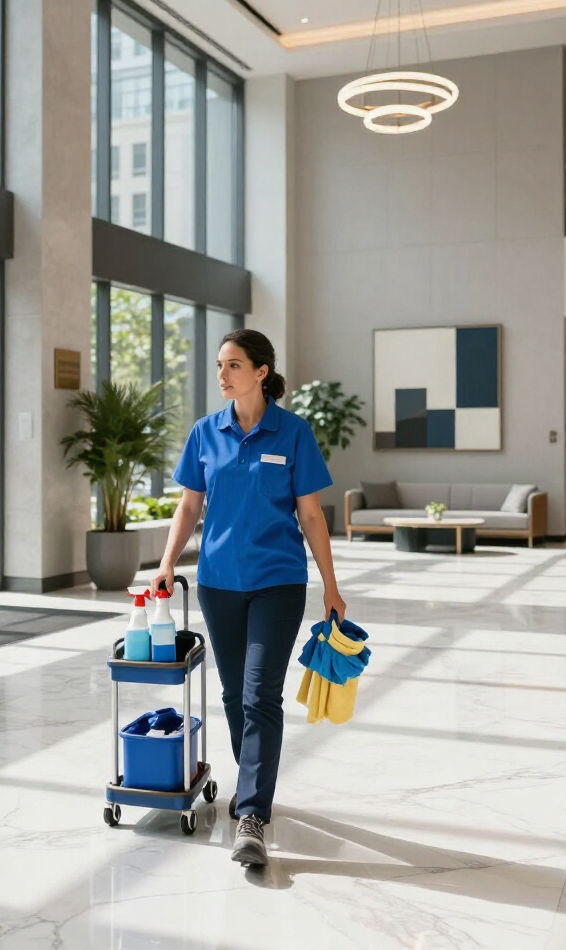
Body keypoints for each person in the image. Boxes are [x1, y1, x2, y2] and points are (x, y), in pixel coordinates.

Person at [153, 329, 346, 868]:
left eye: (233, 365)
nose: (222, 375)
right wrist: (168, 562)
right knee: (235, 696)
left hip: (278, 581)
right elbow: (189, 506)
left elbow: (310, 515)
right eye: (220, 365)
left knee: (261, 694)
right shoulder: (204, 433)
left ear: (261, 371)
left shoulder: (293, 433)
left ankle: (253, 814)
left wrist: (331, 584)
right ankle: (251, 780)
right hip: (218, 582)